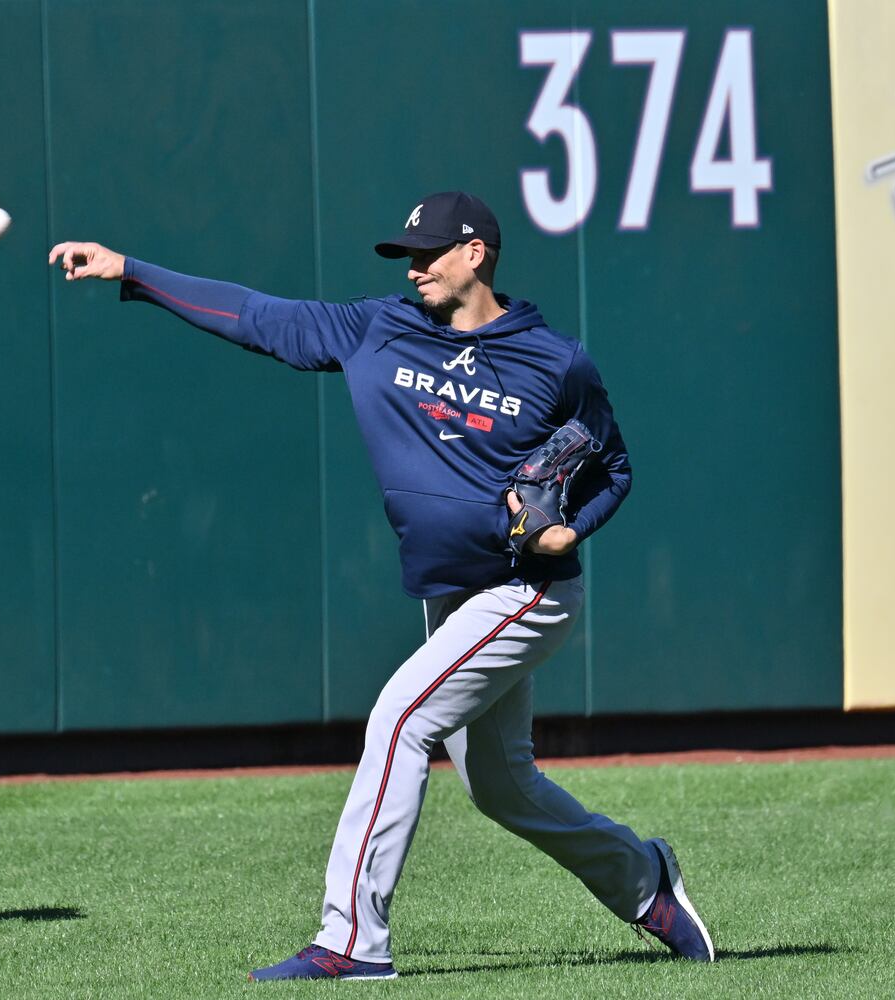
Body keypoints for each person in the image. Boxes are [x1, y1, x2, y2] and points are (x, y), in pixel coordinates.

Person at [48, 191, 714, 980]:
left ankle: (351, 943)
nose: (416, 266)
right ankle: (646, 881)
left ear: (477, 255)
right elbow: (259, 316)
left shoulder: (556, 361)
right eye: (407, 254)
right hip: (452, 594)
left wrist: (574, 528)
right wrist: (132, 270)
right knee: (503, 788)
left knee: (399, 719)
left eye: (429, 252)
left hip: (524, 588)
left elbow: (615, 466)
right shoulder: (379, 328)